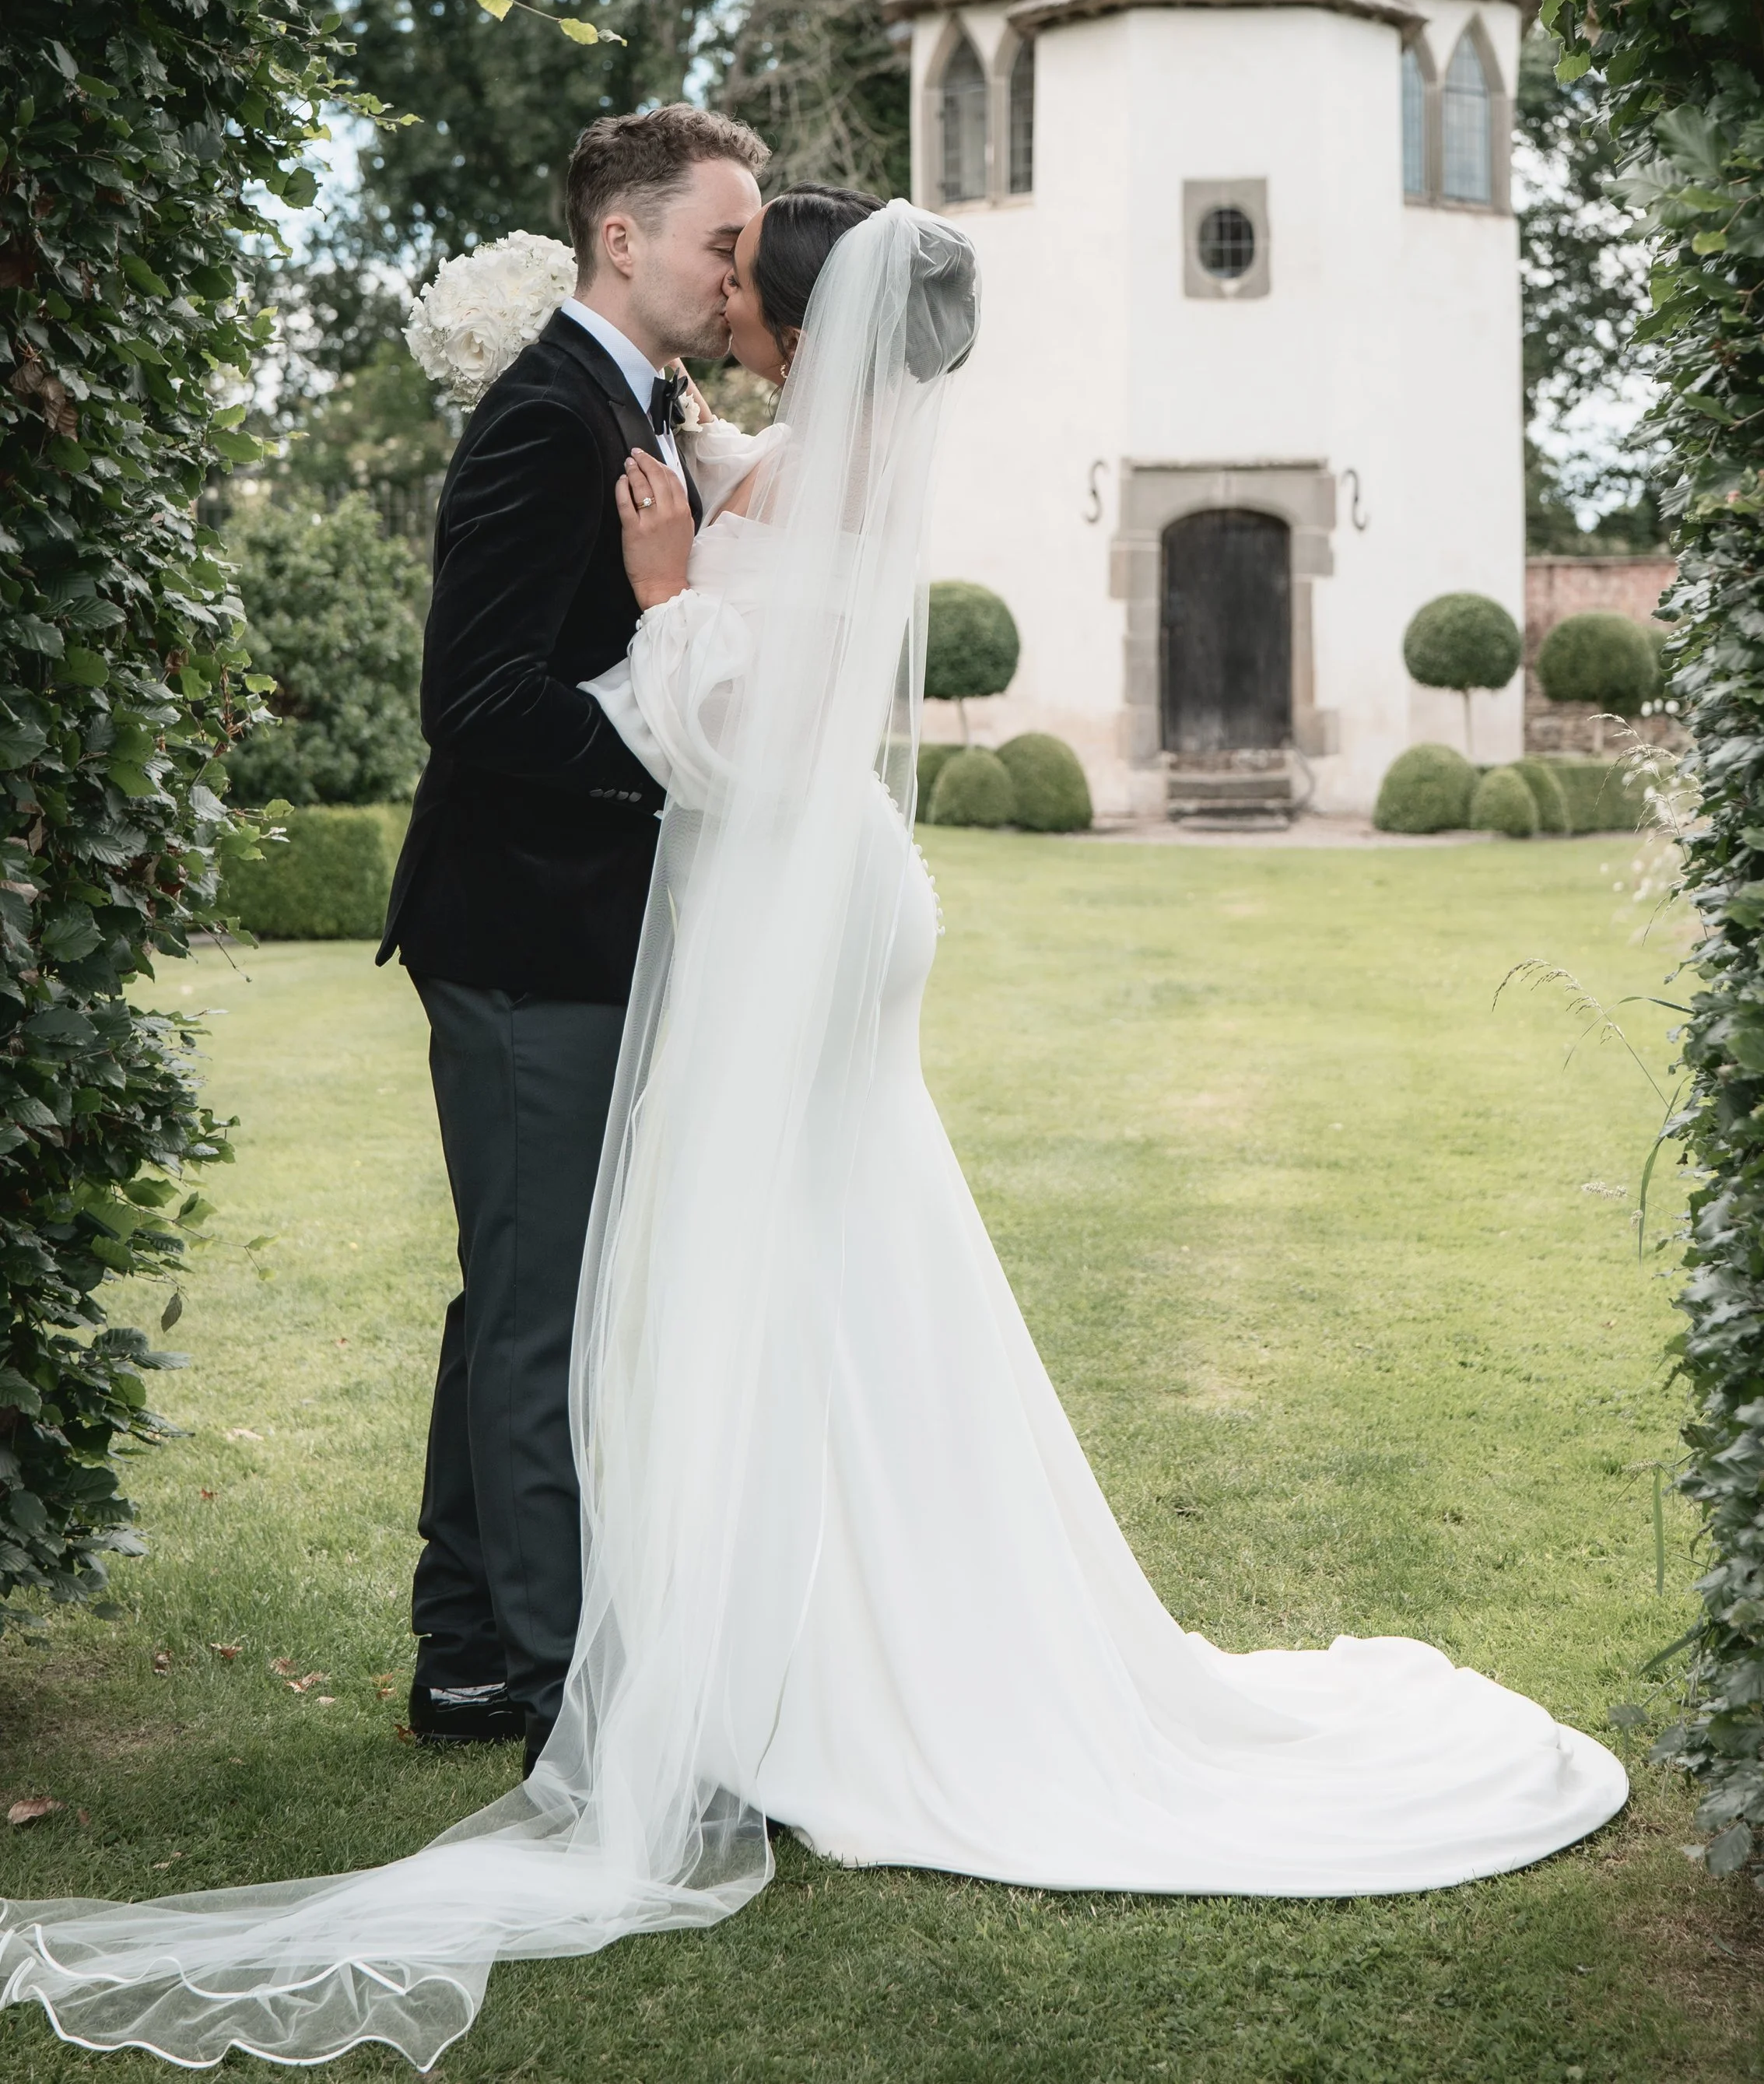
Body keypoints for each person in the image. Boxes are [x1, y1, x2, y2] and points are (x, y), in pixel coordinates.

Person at [0, 197, 1626, 2072]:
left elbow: (740, 736)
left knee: (752, 1256)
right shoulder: (806, 453)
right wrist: (686, 498)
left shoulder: (795, 493)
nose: (727, 270)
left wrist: (677, 595)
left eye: (746, 254)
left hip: (792, 889)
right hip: (841, 900)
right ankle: (719, 1632)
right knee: (818, 1254)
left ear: (791, 315)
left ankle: (758, 1675)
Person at [377, 104, 765, 1768]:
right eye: (719, 243)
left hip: (576, 934)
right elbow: (472, 698)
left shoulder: (636, 403)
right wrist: (672, 775)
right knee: (542, 1317)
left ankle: (467, 1652)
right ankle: (547, 1683)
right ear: (626, 237)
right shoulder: (547, 415)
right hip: (526, 935)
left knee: (517, 1297)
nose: (734, 272)